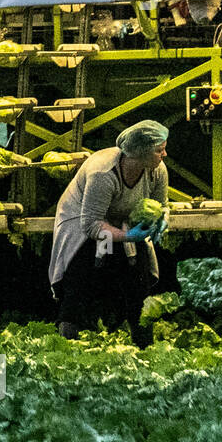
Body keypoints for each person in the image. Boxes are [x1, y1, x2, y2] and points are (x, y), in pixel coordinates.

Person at [48, 119, 170, 347]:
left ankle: (143, 342)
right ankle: (67, 340)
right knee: (81, 274)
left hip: (123, 218)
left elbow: (162, 204)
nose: (164, 154)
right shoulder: (103, 173)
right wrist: (127, 237)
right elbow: (92, 224)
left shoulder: (157, 170)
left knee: (138, 276)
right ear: (140, 153)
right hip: (83, 219)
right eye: (159, 150)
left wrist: (162, 219)